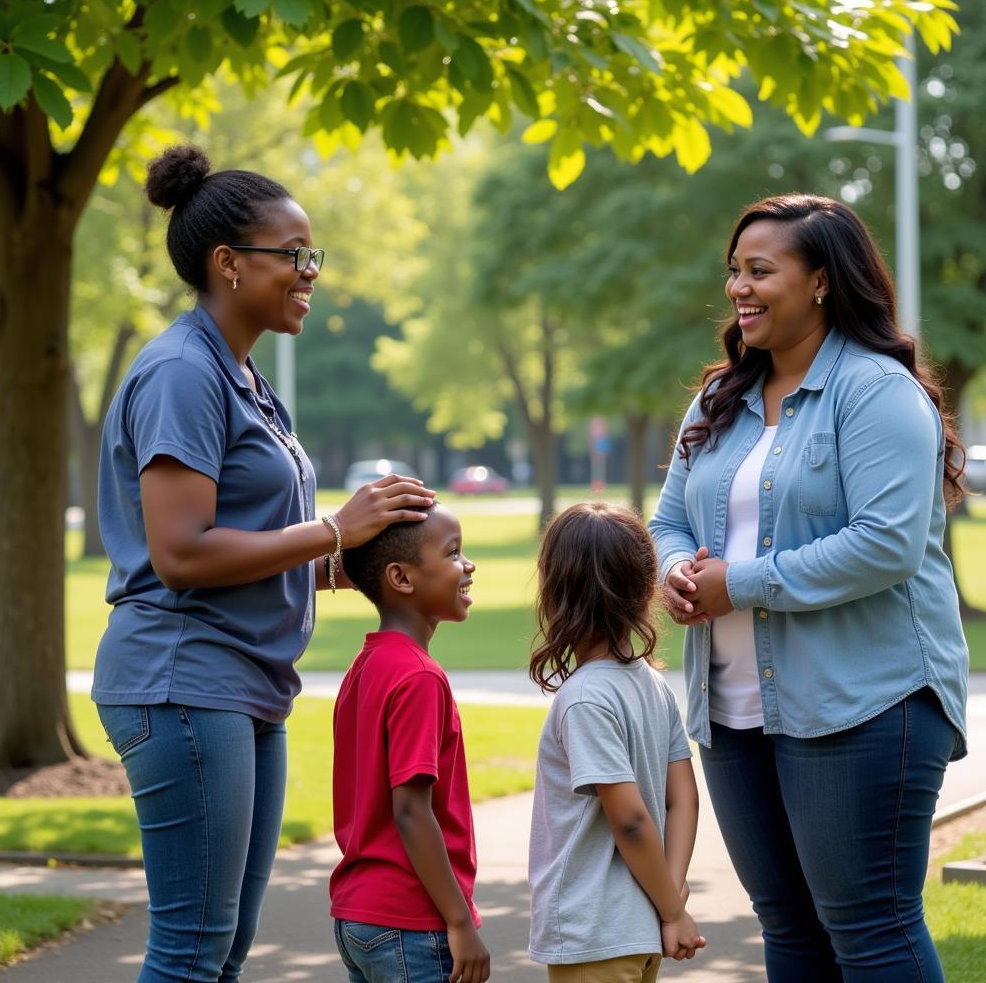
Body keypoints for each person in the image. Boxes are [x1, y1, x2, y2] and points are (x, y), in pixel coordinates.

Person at [92, 143, 436, 983]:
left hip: (240, 685)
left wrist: (354, 564)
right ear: (228, 265)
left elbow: (240, 545)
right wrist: (334, 532)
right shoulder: (182, 372)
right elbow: (178, 555)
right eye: (294, 256)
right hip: (183, 680)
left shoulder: (241, 374)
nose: (310, 273)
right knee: (190, 953)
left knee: (223, 949)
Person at [649, 194, 969, 983]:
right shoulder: (718, 399)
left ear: (822, 281)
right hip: (734, 708)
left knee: (871, 929)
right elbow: (668, 521)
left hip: (867, 702)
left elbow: (885, 544)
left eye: (762, 270)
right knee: (788, 928)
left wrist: (739, 584)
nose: (739, 288)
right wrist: (675, 573)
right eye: (734, 271)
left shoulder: (875, 392)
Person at [527, 502, 705, 982]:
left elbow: (628, 821)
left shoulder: (584, 698)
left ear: (553, 590)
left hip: (593, 937)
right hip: (639, 932)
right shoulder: (651, 684)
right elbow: (683, 800)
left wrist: (672, 912)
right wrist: (672, 891)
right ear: (648, 588)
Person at [331, 502, 490, 983]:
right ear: (402, 578)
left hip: (358, 914)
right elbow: (411, 810)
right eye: (454, 553)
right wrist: (460, 920)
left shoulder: (367, 665)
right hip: (411, 923)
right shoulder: (419, 677)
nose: (469, 565)